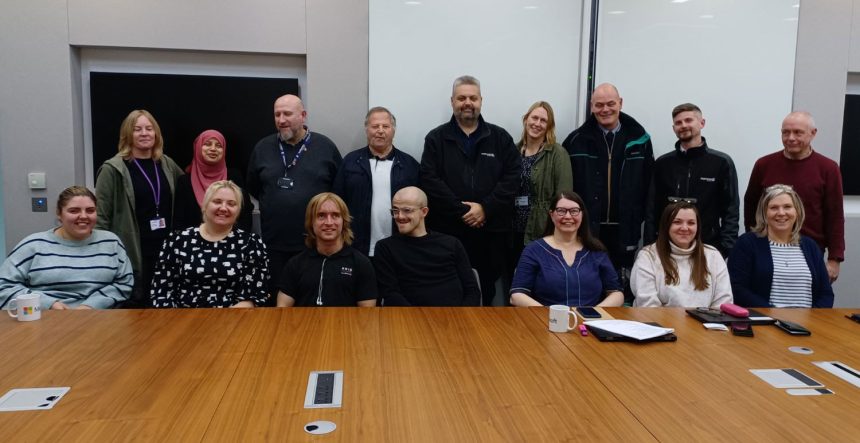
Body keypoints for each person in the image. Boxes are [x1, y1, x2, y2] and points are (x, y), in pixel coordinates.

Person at [420, 75, 520, 306]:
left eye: (473, 98)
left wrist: (485, 208)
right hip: (448, 231)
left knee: (488, 292)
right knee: (449, 291)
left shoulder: (500, 138)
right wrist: (463, 210)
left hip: (491, 233)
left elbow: (512, 178)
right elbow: (430, 180)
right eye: (462, 97)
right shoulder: (436, 138)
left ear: (481, 101)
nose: (468, 102)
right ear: (452, 101)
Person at [562, 83, 653, 297]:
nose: (605, 110)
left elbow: (649, 186)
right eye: (599, 105)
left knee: (622, 288)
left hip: (627, 229)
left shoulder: (640, 140)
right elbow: (566, 189)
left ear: (620, 103)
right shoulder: (576, 141)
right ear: (591, 107)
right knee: (589, 285)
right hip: (587, 229)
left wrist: (642, 219)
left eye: (611, 104)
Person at [246, 94, 342, 294]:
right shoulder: (262, 147)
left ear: (303, 115)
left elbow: (338, 192)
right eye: (277, 114)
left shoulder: (325, 147)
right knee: (278, 301)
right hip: (274, 245)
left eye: (287, 114)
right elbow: (253, 186)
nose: (281, 120)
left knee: (311, 299)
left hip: (315, 244)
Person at [95, 109, 184, 307]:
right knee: (137, 308)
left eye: (149, 128)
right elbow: (101, 217)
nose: (144, 133)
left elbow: (186, 190)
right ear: (128, 135)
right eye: (137, 129)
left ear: (156, 133)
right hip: (132, 249)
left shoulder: (166, 164)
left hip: (164, 248)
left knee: (163, 306)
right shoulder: (112, 169)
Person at [744, 111, 844, 282]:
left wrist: (834, 259)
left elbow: (834, 215)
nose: (790, 138)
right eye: (785, 132)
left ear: (813, 133)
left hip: (810, 251)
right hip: (767, 250)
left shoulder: (828, 168)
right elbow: (751, 205)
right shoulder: (764, 165)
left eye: (798, 132)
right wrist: (754, 241)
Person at [0, 186, 132, 310]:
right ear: (59, 214)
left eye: (90, 210)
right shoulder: (33, 244)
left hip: (100, 319)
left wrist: (91, 306)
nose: (84, 216)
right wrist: (48, 304)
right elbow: (4, 286)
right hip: (44, 319)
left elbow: (124, 283)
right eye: (74, 211)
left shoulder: (111, 242)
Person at [151, 180, 269, 308]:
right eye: (217, 202)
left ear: (238, 211)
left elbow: (254, 295)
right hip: (183, 321)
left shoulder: (251, 244)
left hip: (233, 320)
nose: (223, 208)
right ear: (205, 205)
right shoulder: (177, 241)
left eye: (231, 204)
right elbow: (162, 291)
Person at [646, 103, 739, 256]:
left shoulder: (721, 163)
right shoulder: (662, 164)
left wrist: (725, 248)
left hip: (708, 248)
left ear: (702, 123)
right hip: (667, 249)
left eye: (688, 120)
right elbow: (651, 209)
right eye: (678, 123)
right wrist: (650, 246)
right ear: (673, 128)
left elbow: (731, 210)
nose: (683, 126)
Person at [510, 191, 623, 307]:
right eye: (561, 211)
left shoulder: (596, 250)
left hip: (589, 322)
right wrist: (550, 314)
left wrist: (594, 313)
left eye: (574, 211)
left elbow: (616, 293)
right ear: (551, 215)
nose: (568, 216)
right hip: (546, 321)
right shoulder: (533, 250)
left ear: (582, 215)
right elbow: (517, 295)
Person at [333, 107, 420, 256]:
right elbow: (337, 202)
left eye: (385, 126)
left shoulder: (410, 165)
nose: (380, 130)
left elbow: (420, 207)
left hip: (400, 247)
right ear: (367, 130)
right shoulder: (350, 162)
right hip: (357, 247)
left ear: (393, 130)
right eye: (375, 126)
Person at [729, 184, 834, 308]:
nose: (781, 213)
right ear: (764, 213)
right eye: (774, 208)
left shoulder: (810, 246)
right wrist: (774, 315)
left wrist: (814, 319)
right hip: (765, 322)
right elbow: (737, 289)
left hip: (808, 324)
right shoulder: (747, 244)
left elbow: (826, 294)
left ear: (797, 211)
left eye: (787, 207)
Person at [373, 186, 480, 306]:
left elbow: (472, 291)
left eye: (407, 210)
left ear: (424, 212)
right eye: (395, 210)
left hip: (455, 318)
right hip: (409, 321)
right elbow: (390, 294)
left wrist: (461, 318)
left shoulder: (451, 244)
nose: (400, 216)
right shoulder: (385, 248)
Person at [507, 101, 573, 284]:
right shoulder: (512, 150)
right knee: (512, 280)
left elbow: (564, 196)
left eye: (543, 120)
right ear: (526, 119)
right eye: (534, 118)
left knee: (537, 281)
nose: (537, 123)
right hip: (511, 228)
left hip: (541, 229)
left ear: (549, 126)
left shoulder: (557, 153)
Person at [276, 193, 377, 307]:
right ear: (311, 221)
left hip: (346, 325)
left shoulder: (361, 264)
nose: (329, 222)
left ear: (343, 221)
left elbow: (368, 316)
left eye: (335, 215)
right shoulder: (295, 264)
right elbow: (282, 311)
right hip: (306, 324)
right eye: (321, 215)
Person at [631, 202, 732, 308]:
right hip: (659, 323)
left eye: (691, 223)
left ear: (698, 227)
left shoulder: (713, 256)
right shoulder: (648, 256)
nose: (684, 228)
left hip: (704, 324)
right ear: (666, 225)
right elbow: (647, 305)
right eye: (677, 222)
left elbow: (723, 303)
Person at [173, 129, 252, 231]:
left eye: (218, 146)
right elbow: (179, 221)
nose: (213, 149)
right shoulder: (185, 181)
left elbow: (245, 213)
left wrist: (233, 239)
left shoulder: (234, 176)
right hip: (194, 243)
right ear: (198, 148)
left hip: (230, 241)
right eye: (207, 144)